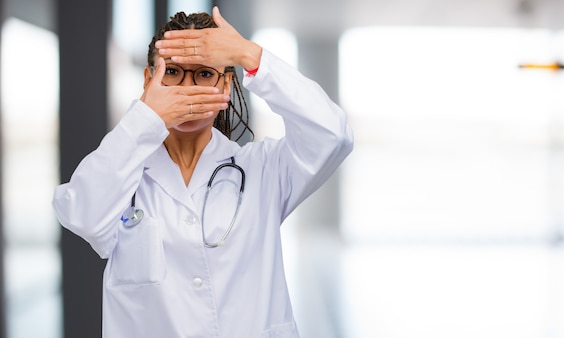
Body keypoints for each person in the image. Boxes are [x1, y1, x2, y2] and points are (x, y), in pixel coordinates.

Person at [52, 6, 353, 338]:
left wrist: (248, 54)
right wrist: (146, 118)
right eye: (173, 73)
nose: (187, 89)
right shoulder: (123, 173)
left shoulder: (263, 170)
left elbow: (331, 134)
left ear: (226, 86)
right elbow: (81, 213)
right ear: (149, 81)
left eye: (204, 74)